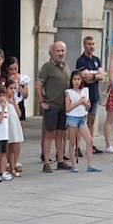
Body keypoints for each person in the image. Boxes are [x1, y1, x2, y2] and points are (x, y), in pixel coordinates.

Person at [37, 41, 72, 172]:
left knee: (61, 134)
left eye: (62, 51)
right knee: (49, 135)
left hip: (64, 106)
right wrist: (41, 102)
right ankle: (46, 162)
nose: (60, 53)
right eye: (58, 51)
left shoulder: (66, 66)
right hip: (51, 106)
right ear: (51, 52)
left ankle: (61, 160)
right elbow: (38, 85)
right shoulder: (47, 67)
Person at [74, 35, 104, 156]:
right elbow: (84, 78)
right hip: (84, 96)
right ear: (84, 45)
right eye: (88, 44)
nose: (91, 46)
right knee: (81, 121)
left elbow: (102, 76)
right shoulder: (81, 60)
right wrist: (95, 76)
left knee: (91, 121)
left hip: (94, 95)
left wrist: (93, 76)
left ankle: (89, 144)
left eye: (92, 44)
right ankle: (77, 147)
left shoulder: (97, 60)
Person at [64, 69, 97, 172]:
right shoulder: (69, 93)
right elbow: (68, 108)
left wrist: (85, 104)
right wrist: (78, 102)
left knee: (89, 140)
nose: (77, 81)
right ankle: (73, 165)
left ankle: (90, 164)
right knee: (72, 142)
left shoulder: (85, 91)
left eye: (79, 79)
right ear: (71, 81)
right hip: (72, 118)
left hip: (82, 118)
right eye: (75, 79)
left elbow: (88, 107)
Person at [6, 57, 28, 176]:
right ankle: (9, 161)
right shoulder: (6, 81)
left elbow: (26, 95)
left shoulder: (23, 79)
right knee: (9, 135)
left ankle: (16, 160)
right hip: (8, 106)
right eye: (11, 69)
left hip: (19, 105)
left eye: (16, 68)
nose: (14, 71)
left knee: (17, 135)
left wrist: (18, 85)